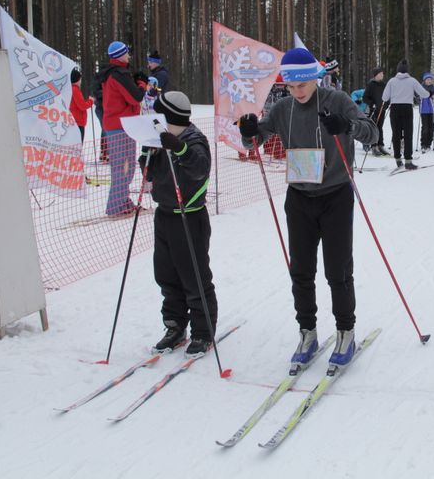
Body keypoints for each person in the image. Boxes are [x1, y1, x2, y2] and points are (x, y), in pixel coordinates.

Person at [237, 48, 378, 367]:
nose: (297, 92)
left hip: (336, 195)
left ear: (315, 79)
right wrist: (248, 133)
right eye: (291, 86)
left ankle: (345, 331)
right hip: (299, 197)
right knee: (300, 270)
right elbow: (255, 142)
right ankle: (308, 331)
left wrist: (346, 125)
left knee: (338, 270)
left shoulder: (337, 100)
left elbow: (372, 132)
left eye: (302, 85)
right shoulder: (283, 107)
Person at [137, 91, 218, 358]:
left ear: (169, 116)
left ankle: (203, 331)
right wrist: (146, 155)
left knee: (194, 275)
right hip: (165, 213)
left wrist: (179, 149)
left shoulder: (194, 140)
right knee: (166, 273)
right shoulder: (160, 140)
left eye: (158, 114)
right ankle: (174, 326)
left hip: (190, 215)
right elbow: (150, 175)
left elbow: (199, 168)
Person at [98, 41, 147, 216]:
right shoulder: (118, 74)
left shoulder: (113, 73)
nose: (129, 56)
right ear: (121, 55)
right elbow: (135, 97)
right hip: (121, 125)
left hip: (119, 124)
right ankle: (115, 206)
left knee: (127, 166)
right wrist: (141, 84)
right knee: (123, 167)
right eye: (127, 53)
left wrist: (135, 81)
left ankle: (122, 200)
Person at [382, 59, 431, 170]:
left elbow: (384, 97)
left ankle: (398, 159)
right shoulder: (412, 80)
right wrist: (429, 93)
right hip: (407, 108)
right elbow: (423, 94)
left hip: (394, 109)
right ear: (407, 70)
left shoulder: (391, 81)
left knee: (396, 134)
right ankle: (408, 161)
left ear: (398, 70)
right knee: (408, 134)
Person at [363, 68, 390, 156]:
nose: (382, 75)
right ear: (376, 75)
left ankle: (380, 145)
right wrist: (372, 104)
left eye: (382, 73)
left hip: (381, 109)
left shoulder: (384, 85)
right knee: (374, 127)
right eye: (381, 73)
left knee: (380, 127)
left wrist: (386, 105)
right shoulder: (371, 85)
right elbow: (365, 97)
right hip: (374, 110)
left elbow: (388, 96)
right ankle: (374, 146)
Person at [68, 67, 94, 142]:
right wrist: (90, 101)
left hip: (75, 121)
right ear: (77, 79)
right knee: (78, 145)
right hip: (78, 122)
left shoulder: (71, 89)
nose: (81, 81)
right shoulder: (75, 90)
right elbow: (82, 106)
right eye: (80, 79)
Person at [419, 72, 434, 152]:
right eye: (428, 79)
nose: (429, 81)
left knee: (431, 127)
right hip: (424, 110)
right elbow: (417, 96)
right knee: (425, 128)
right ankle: (423, 144)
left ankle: (429, 143)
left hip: (432, 110)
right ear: (424, 80)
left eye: (430, 79)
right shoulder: (421, 87)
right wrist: (419, 98)